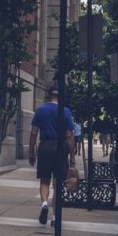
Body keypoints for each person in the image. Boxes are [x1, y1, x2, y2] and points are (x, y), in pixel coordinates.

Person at [28, 86, 75, 226]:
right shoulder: (65, 111)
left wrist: (31, 151)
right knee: (58, 183)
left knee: (44, 180)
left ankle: (44, 204)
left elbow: (34, 132)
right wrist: (72, 155)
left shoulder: (40, 110)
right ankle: (55, 217)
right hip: (60, 147)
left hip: (45, 146)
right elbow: (69, 135)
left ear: (48, 96)